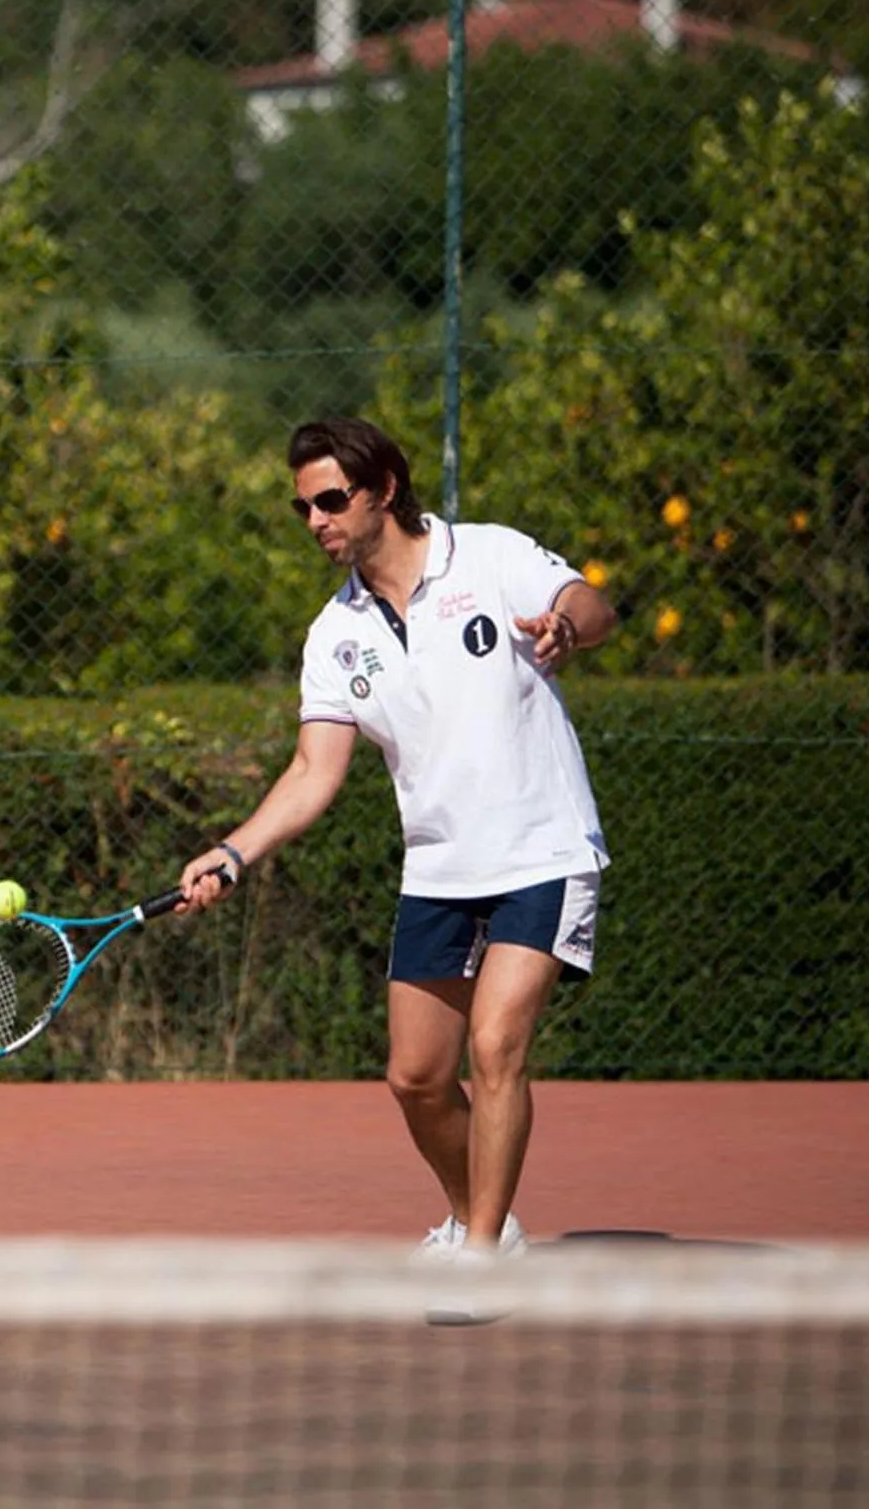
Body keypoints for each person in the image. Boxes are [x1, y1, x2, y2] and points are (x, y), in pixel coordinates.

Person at [177, 416, 618, 1263]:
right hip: (440, 868)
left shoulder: (488, 556)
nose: (316, 521)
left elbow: (591, 604)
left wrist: (568, 625)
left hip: (542, 848)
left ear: (382, 489)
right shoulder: (333, 636)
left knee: (495, 1049)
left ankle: (483, 1256)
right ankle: (479, 1216)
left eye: (331, 501)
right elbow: (313, 773)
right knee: (415, 1079)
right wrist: (233, 852)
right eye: (303, 507)